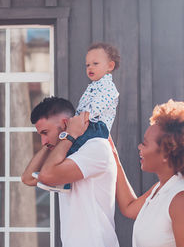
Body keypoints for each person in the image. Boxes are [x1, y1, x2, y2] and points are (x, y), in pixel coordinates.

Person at [110, 99, 184, 247]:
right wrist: (113, 156)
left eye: (145, 144)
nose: (140, 147)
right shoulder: (162, 189)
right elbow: (129, 207)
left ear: (167, 152)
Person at [21, 96, 120, 247]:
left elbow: (46, 175)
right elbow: (27, 178)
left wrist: (69, 134)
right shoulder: (62, 154)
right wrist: (53, 143)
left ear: (66, 124)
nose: (43, 140)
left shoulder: (96, 148)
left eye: (45, 133)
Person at [35, 42, 120, 192]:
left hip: (96, 126)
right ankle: (62, 181)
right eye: (87, 65)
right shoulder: (93, 86)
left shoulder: (108, 87)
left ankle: (60, 181)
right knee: (68, 146)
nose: (90, 68)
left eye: (95, 63)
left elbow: (98, 105)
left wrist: (82, 119)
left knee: (72, 144)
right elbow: (83, 104)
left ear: (110, 66)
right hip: (86, 122)